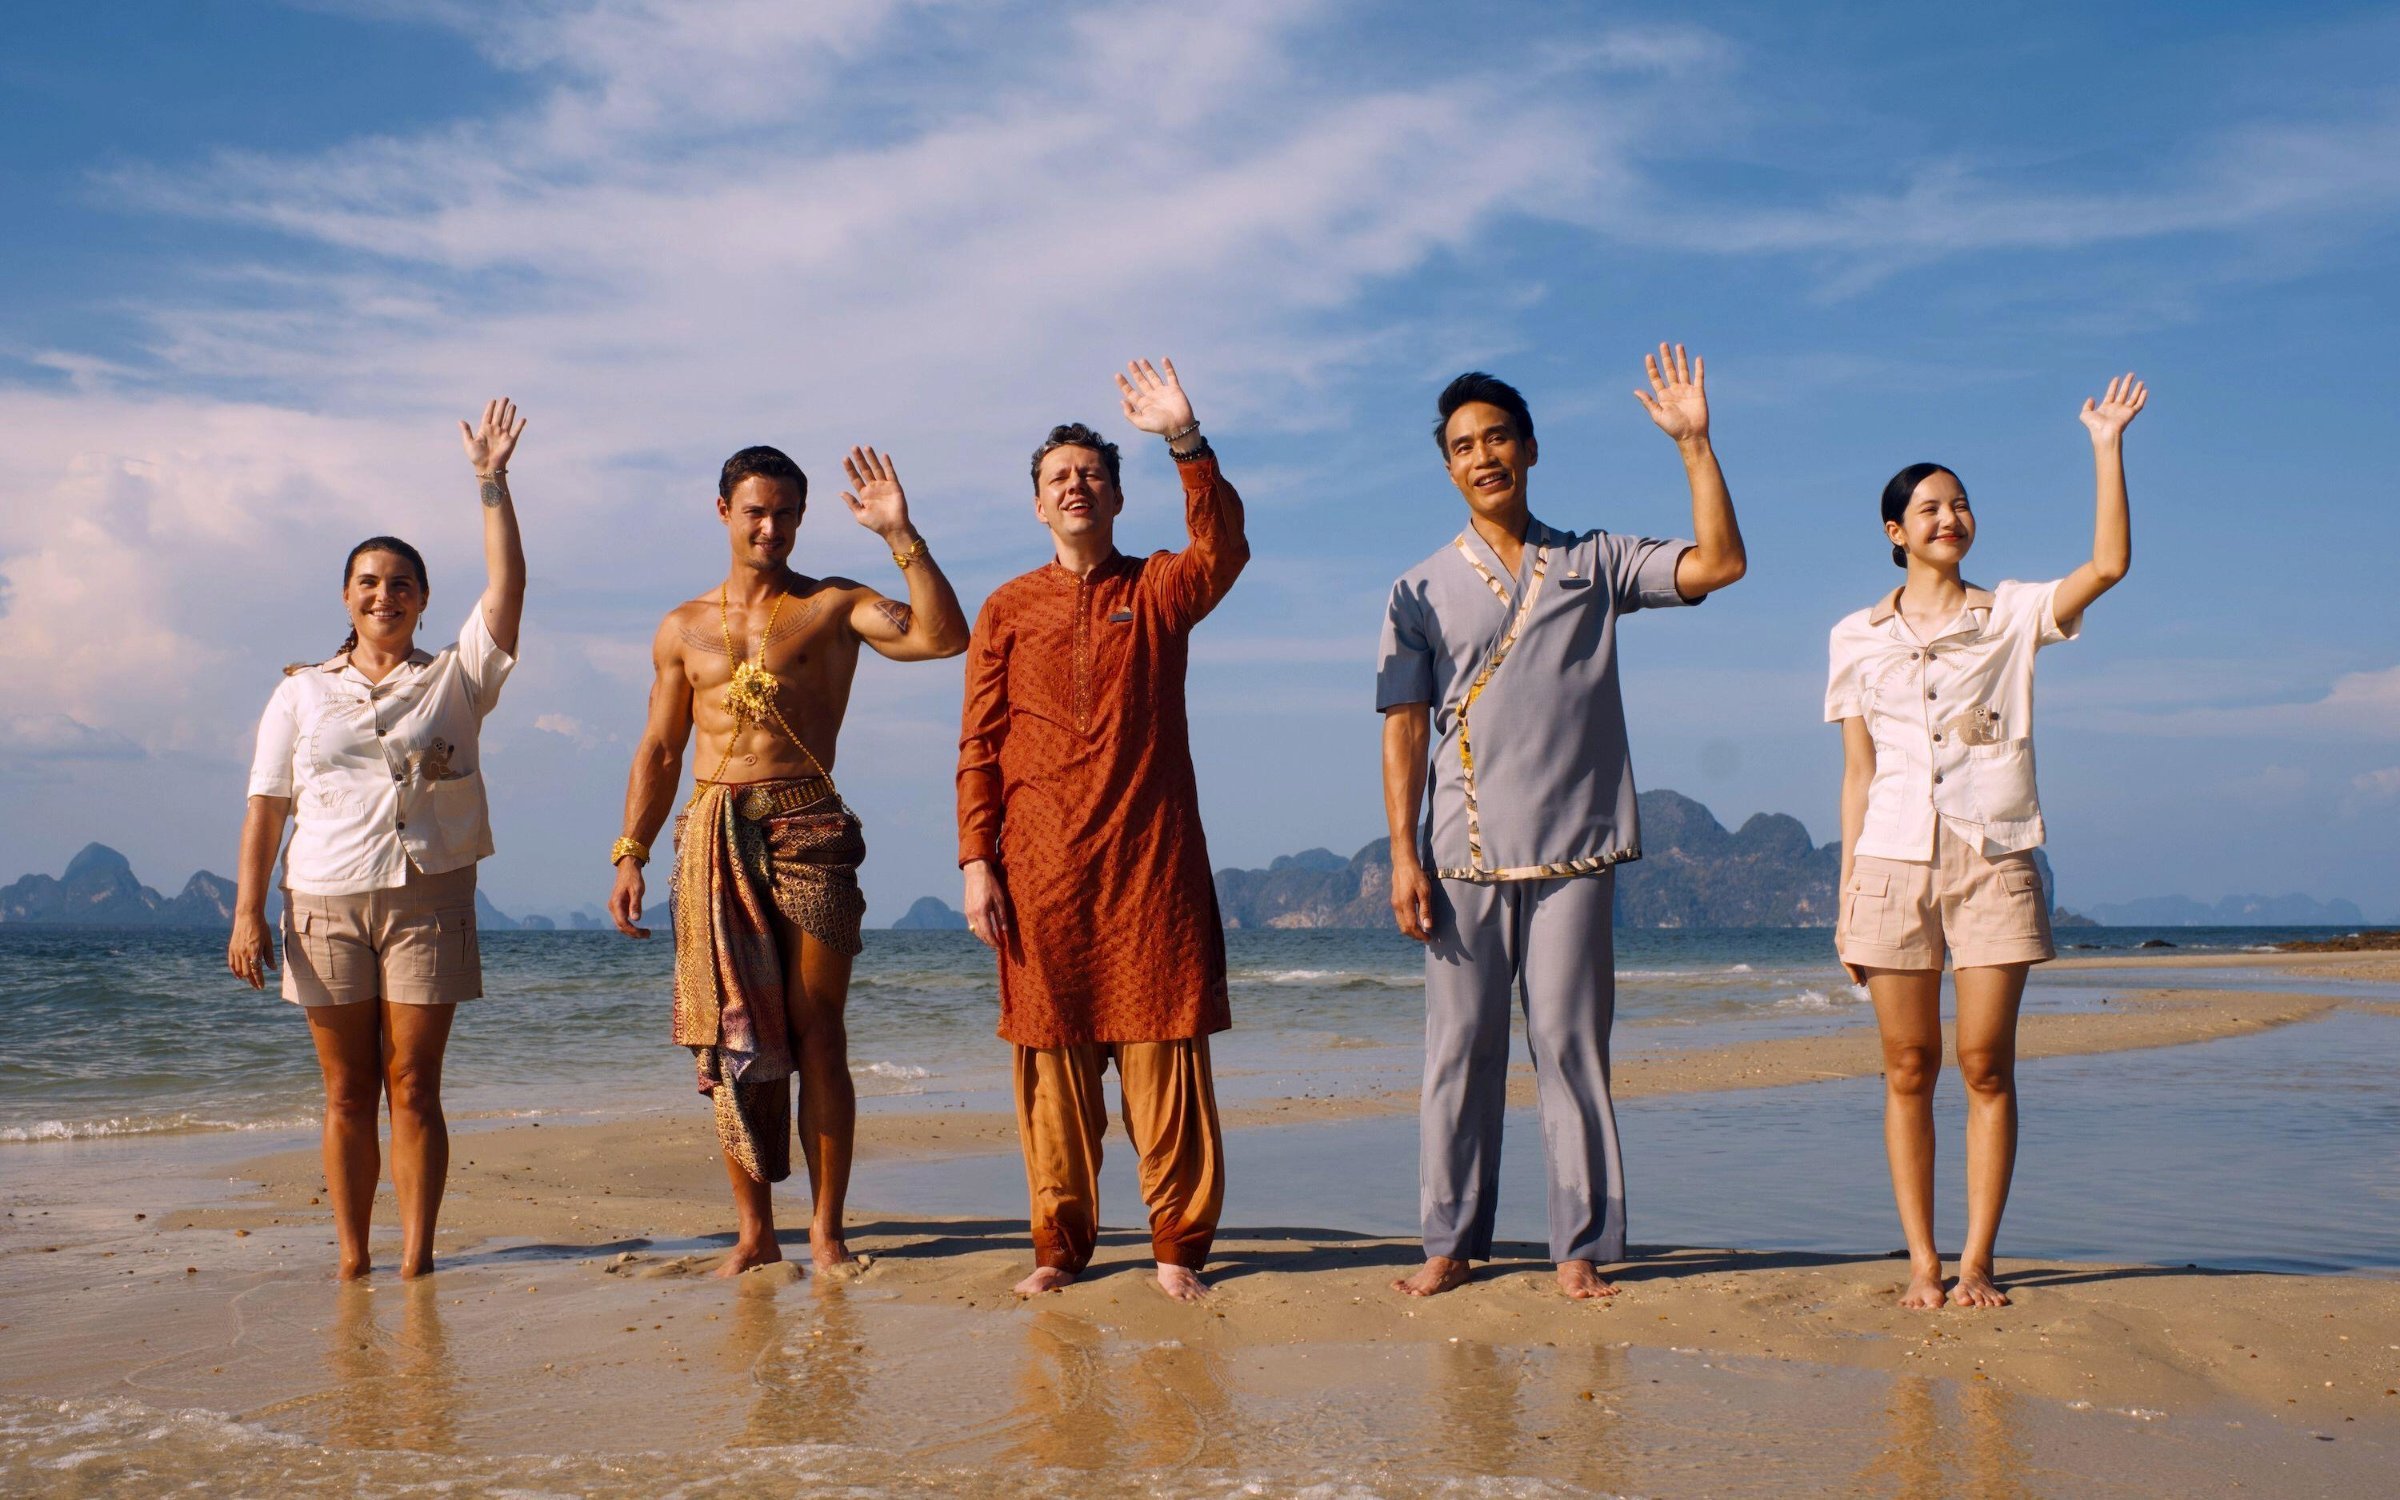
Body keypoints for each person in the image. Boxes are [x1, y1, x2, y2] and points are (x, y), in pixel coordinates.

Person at [1377, 347, 1748, 1300]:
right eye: (1463, 445)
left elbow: (1721, 563)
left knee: (1572, 1049)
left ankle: (1579, 1246)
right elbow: (1404, 729)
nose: (1483, 455)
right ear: (1448, 467)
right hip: (1461, 852)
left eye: (1498, 436)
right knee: (1458, 1055)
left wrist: (1695, 445)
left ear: (1530, 448)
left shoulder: (1595, 560)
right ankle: (1450, 1242)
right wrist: (1402, 857)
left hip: (1579, 848)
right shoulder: (1416, 588)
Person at [1827, 373, 2147, 1310]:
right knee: (1907, 1068)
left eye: (1960, 504)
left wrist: (2105, 446)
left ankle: (1976, 1263)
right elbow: (1857, 774)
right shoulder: (1854, 635)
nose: (1949, 516)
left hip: (1993, 857)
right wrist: (1849, 896)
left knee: (1984, 1065)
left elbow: (2110, 567)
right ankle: (1922, 1263)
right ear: (1895, 532)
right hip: (1888, 862)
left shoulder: (2008, 613)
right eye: (1928, 507)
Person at [609, 442, 968, 1277]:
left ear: (804, 518)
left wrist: (900, 535)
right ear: (724, 511)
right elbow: (661, 749)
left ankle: (827, 1230)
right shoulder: (682, 628)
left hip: (810, 826)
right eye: (756, 511)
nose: (771, 527)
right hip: (712, 837)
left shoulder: (834, 605)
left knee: (819, 1039)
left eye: (786, 513)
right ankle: (753, 1233)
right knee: (731, 1039)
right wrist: (631, 851)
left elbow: (944, 639)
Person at [956, 358, 1247, 1303]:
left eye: (1089, 474)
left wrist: (1185, 441)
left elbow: (1224, 552)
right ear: (1037, 506)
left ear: (1118, 494)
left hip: (1150, 869)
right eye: (1056, 479)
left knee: (1166, 1058)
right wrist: (975, 862)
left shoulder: (1159, 588)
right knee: (1051, 1068)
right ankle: (1060, 1246)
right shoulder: (1006, 608)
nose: (1074, 486)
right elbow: (979, 745)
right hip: (1038, 873)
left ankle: (1176, 1251)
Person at [226, 398, 529, 1280]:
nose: (383, 595)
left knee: (414, 1085)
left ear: (424, 599)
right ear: (346, 598)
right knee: (348, 1090)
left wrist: (491, 484)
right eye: (368, 582)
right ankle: (354, 1258)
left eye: (400, 583)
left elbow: (506, 590)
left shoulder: (457, 679)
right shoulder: (301, 692)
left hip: (429, 895)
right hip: (319, 900)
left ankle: (418, 1260)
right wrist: (248, 914)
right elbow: (266, 807)